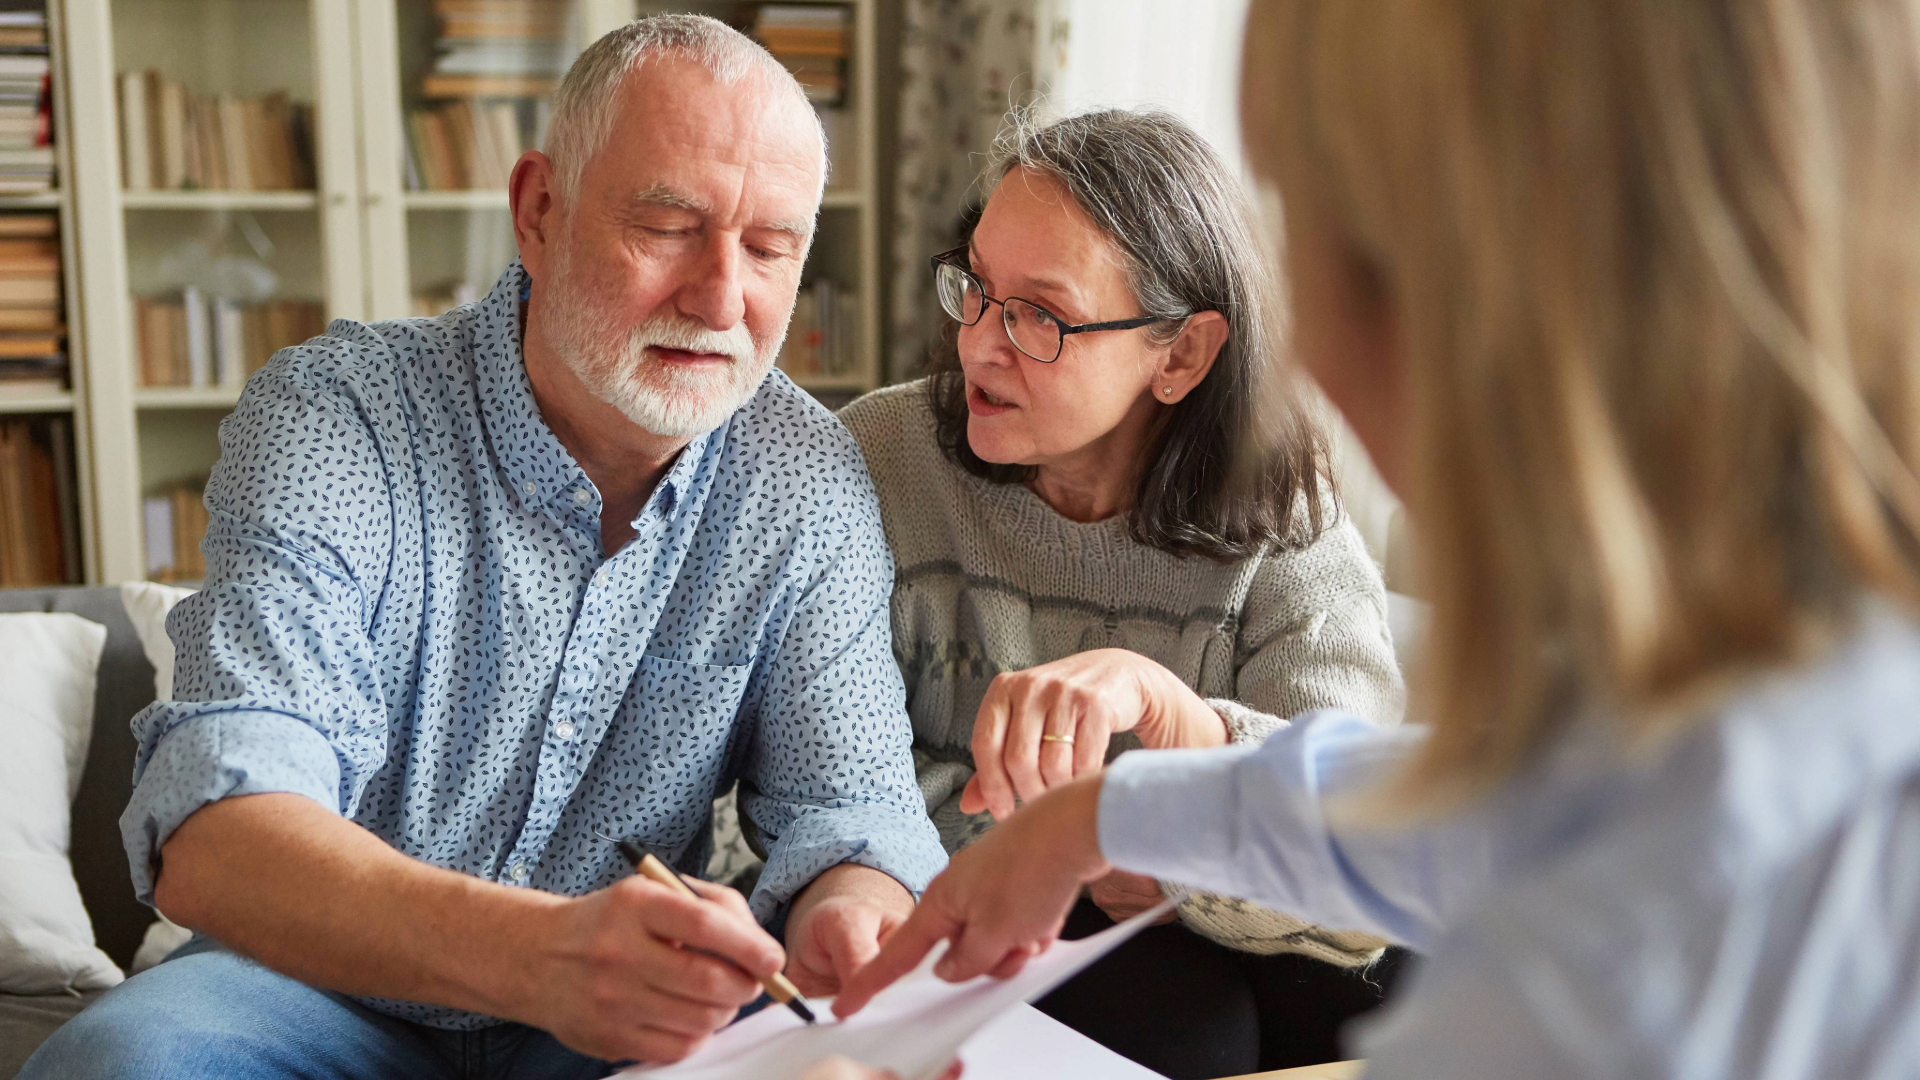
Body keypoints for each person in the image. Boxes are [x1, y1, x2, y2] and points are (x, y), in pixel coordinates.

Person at [835, 2, 1920, 1078]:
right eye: (976, 289)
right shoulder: (1771, 696)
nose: (1306, 335)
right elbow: (1479, 807)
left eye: (1324, 234)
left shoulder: (1604, 969)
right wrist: (1112, 815)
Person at [22, 15, 946, 1080]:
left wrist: (853, 917)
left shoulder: (805, 477)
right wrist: (536, 955)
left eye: (772, 248)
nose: (721, 297)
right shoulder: (339, 416)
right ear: (539, 211)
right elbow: (216, 829)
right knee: (113, 1068)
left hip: (614, 1027)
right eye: (667, 226)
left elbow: (855, 812)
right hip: (301, 988)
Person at [836, 108, 1406, 1077]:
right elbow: (830, 778)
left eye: (1040, 317)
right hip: (973, 908)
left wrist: (1179, 786)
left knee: (1387, 998)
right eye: (975, 289)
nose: (979, 343)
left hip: (1220, 925)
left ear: (1179, 356)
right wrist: (1084, 843)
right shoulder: (875, 461)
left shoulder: (1282, 504)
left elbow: (1365, 836)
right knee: (1190, 1023)